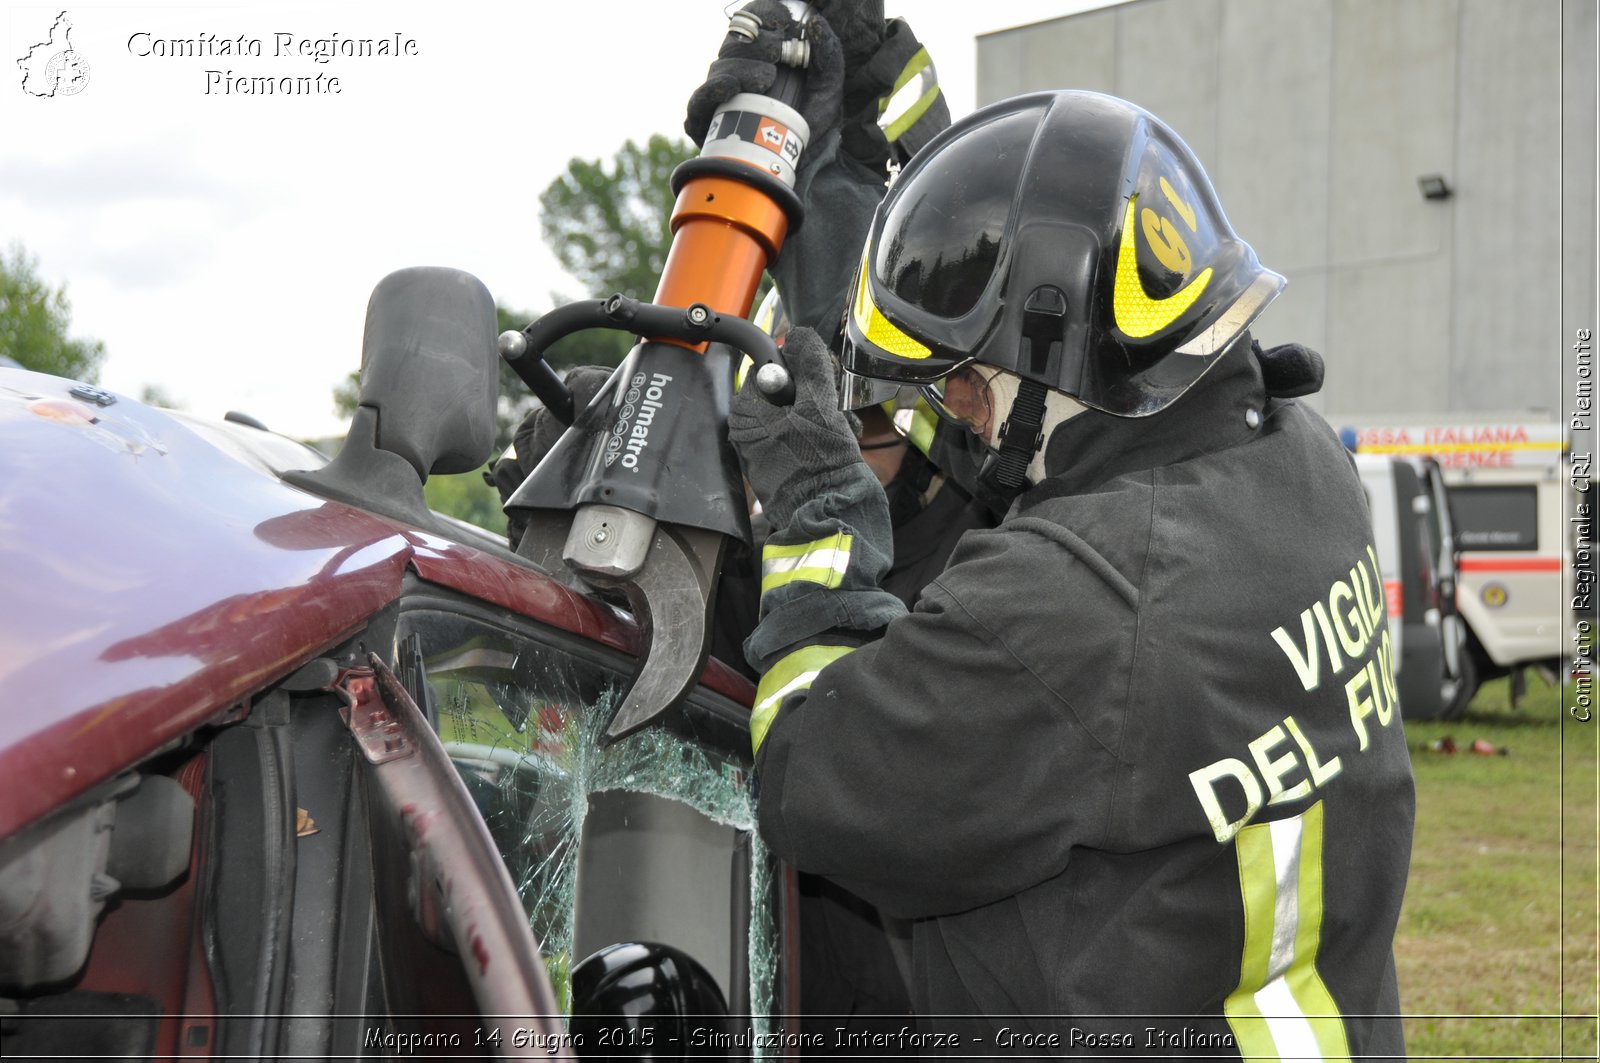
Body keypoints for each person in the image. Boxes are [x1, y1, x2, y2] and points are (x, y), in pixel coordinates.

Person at [724, 85, 1416, 1059]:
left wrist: (818, 522)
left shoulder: (1071, 604)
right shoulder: (1302, 465)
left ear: (1055, 358)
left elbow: (811, 788)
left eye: (961, 377)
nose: (951, 408)